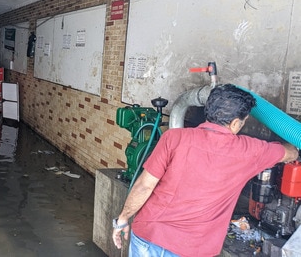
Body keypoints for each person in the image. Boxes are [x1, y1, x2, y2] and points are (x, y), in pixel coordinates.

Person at [112, 84, 299, 257]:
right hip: (192, 249)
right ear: (235, 123)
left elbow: (144, 185)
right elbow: (290, 152)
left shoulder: (174, 138)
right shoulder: (251, 151)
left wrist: (122, 219)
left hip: (149, 237)